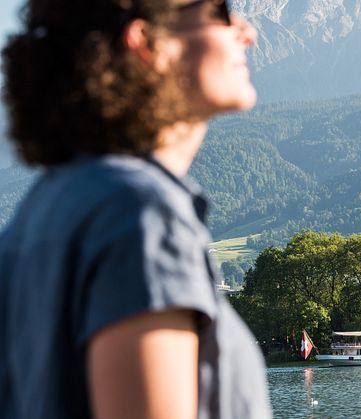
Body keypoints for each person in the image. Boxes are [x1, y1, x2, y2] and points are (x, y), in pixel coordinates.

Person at [0, 0, 272, 417]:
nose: (247, 31)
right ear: (148, 43)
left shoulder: (44, 210)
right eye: (219, 11)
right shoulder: (142, 216)